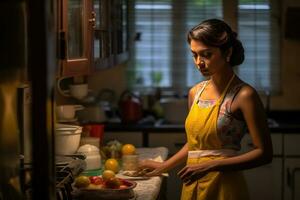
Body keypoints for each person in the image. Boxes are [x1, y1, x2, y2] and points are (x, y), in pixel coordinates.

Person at [138, 18, 273, 200]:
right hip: (193, 185)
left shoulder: (244, 95)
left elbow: (264, 153)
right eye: (194, 55)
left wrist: (211, 165)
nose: (199, 62)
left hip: (225, 187)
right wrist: (164, 166)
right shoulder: (196, 92)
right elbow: (195, 145)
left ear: (227, 53)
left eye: (207, 55)